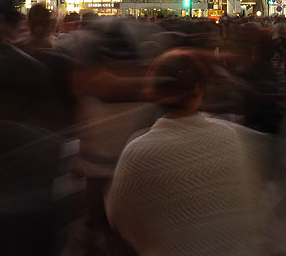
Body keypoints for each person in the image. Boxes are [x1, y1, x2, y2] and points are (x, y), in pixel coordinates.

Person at [106, 48, 259, 255]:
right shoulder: (231, 136)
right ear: (199, 89)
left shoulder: (139, 151)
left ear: (154, 92)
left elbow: (119, 217)